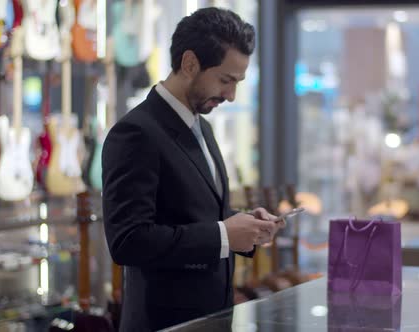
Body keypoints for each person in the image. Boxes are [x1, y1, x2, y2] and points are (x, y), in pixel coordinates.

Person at [102, 8, 285, 331]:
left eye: (237, 82)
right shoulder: (136, 133)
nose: (231, 95)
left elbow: (197, 213)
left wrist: (247, 225)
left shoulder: (203, 128)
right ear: (189, 64)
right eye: (225, 80)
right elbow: (128, 240)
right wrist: (224, 234)